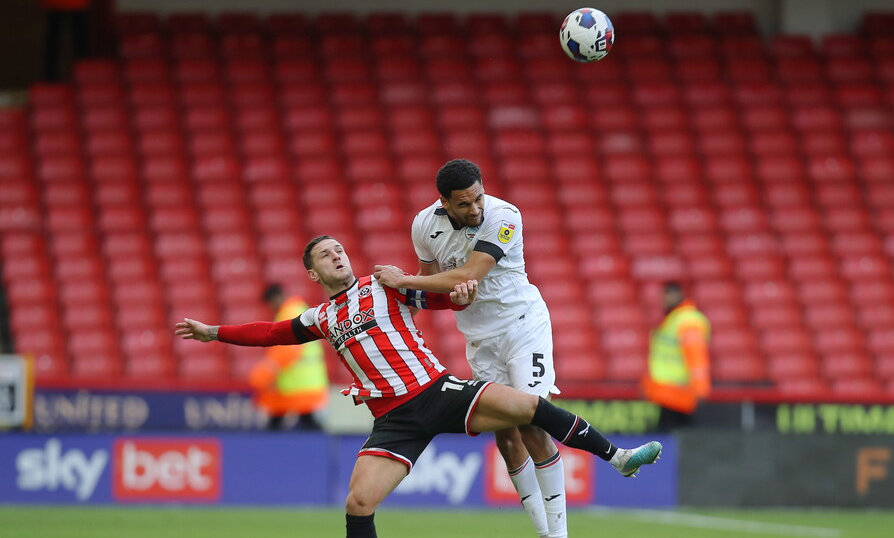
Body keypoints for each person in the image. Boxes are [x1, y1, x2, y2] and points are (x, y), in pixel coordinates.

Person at [175, 236, 662, 538]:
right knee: (358, 503)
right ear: (313, 273)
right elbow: (269, 333)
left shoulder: (383, 284)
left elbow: (439, 301)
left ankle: (617, 459)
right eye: (325, 255)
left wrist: (460, 294)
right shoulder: (318, 316)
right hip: (393, 421)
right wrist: (214, 332)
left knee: (530, 406)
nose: (336, 256)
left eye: (339, 249)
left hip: (437, 391)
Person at [373, 159, 568, 537]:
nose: (475, 209)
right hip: (479, 338)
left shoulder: (505, 215)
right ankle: (543, 532)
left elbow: (466, 275)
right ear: (443, 203)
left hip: (522, 326)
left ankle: (559, 535)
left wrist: (402, 279)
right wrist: (403, 308)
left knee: (530, 418)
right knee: (506, 432)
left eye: (478, 198)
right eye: (464, 204)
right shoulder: (424, 225)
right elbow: (430, 285)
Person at [248, 283, 329, 431]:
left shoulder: (288, 313)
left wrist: (264, 373)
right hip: (308, 383)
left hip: (298, 385)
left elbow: (288, 350)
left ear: (275, 299)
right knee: (308, 425)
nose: (271, 308)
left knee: (278, 425)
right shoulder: (300, 308)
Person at [642, 281, 712, 431]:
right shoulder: (672, 319)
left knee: (674, 439)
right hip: (666, 392)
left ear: (679, 295)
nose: (665, 299)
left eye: (668, 294)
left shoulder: (687, 321)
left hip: (678, 392)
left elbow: (696, 356)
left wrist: (700, 388)